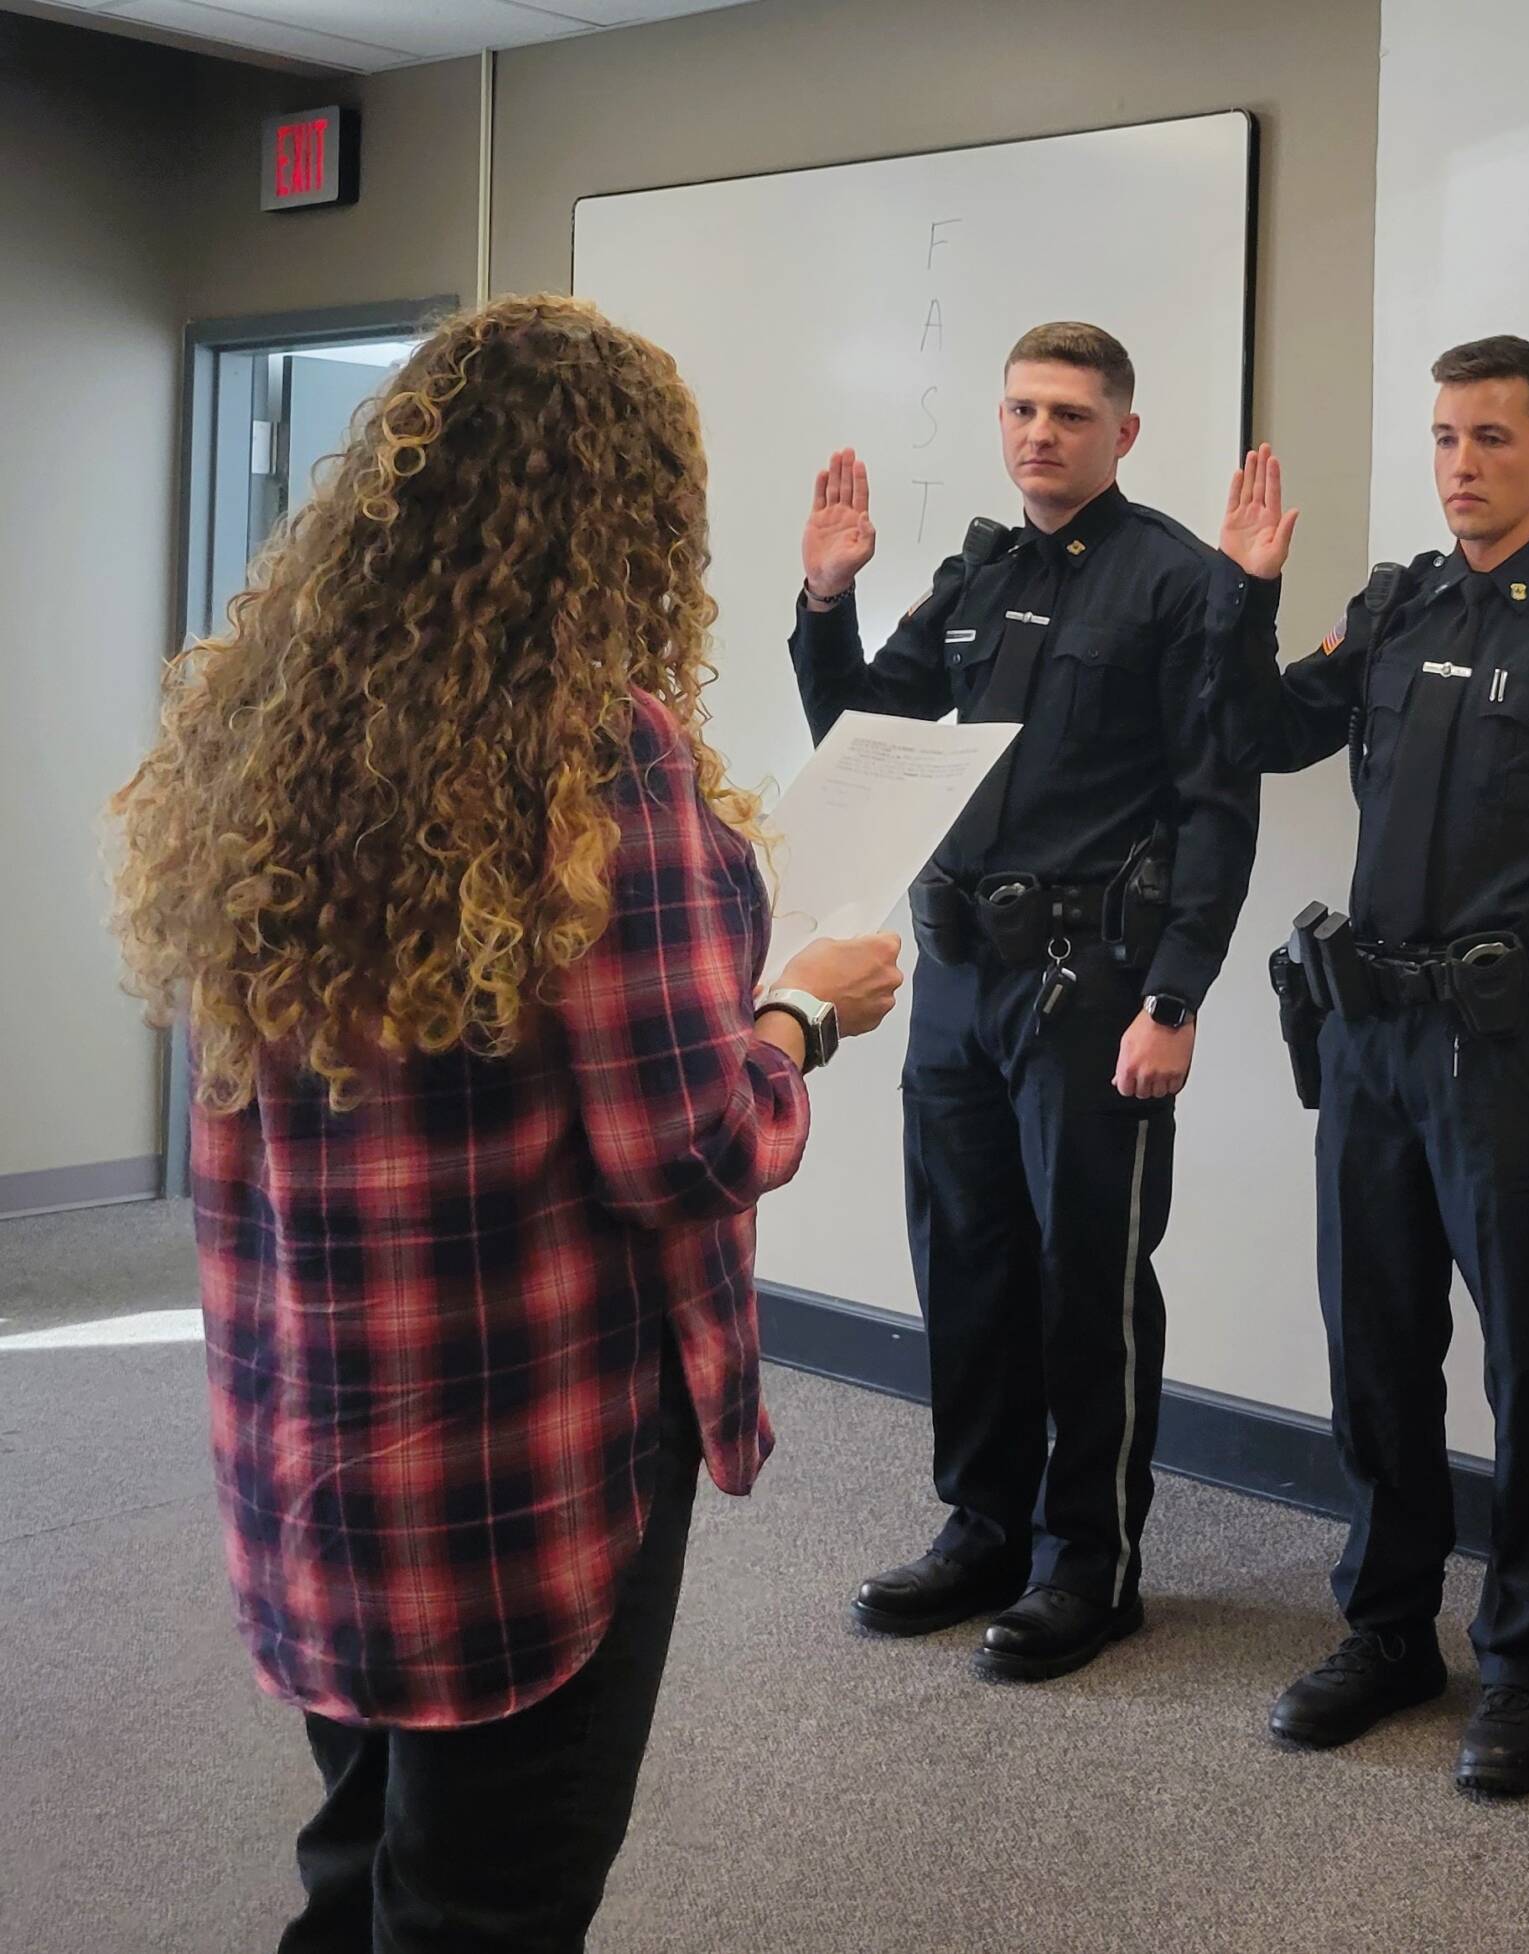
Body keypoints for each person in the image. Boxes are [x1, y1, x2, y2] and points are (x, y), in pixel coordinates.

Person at [106, 294, 902, 1952]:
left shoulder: (274, 719)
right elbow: (686, 1146)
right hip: (512, 1471)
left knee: (358, 1862)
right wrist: (802, 1013)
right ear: (631, 513)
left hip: (321, 1438)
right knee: (488, 1907)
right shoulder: (596, 759)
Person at [1203, 337, 1529, 1797]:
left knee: (1524, 1368)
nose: (1461, 463)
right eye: (1443, 437)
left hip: (1509, 1053)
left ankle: (1528, 1661)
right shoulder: (1393, 607)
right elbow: (1260, 730)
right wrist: (1246, 595)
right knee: (1372, 1346)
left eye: (1491, 436)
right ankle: (1386, 1630)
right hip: (1368, 1039)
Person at [787, 322, 1259, 1682]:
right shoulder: (976, 577)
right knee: (967, 1259)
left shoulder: (1181, 583)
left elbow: (1218, 807)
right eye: (1020, 410)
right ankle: (984, 1527)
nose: (1039, 432)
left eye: (1068, 413)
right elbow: (866, 742)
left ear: (1124, 432)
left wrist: (1176, 994)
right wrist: (827, 599)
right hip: (959, 978)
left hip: (1093, 984)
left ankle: (1089, 1563)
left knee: (1085, 1279)